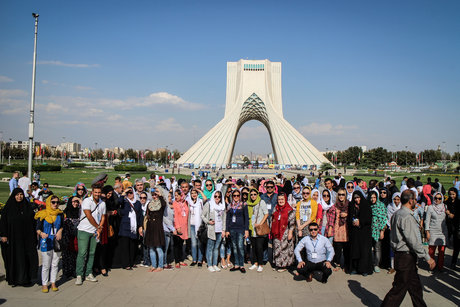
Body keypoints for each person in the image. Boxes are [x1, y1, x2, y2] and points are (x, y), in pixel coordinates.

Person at [381, 190, 436, 307]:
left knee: (415, 288)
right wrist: (428, 258)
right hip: (405, 257)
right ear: (411, 200)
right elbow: (414, 241)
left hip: (404, 257)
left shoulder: (397, 214)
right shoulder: (406, 216)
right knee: (398, 290)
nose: (416, 201)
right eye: (415, 199)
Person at [0, 188, 38, 286]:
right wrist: (3, 235)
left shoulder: (27, 207)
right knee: (14, 258)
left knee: (26, 258)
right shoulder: (8, 209)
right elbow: (3, 222)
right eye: (17, 195)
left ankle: (25, 279)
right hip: (13, 239)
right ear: (13, 196)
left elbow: (33, 222)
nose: (19, 197)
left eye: (21, 194)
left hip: (27, 238)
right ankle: (15, 279)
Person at [75, 184, 106, 285]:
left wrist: (99, 229)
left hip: (95, 232)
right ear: (92, 192)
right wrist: (98, 227)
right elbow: (88, 216)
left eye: (99, 192)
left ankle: (89, 273)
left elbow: (103, 217)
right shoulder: (87, 201)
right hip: (84, 230)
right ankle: (79, 274)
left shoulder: (102, 204)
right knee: (82, 253)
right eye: (95, 192)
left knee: (92, 253)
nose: (97, 194)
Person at [35, 195, 64, 293]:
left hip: (56, 241)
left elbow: (62, 226)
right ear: (48, 202)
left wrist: (60, 231)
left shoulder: (60, 214)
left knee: (55, 263)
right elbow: (37, 228)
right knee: (46, 264)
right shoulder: (42, 214)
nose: (55, 204)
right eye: (53, 202)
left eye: (57, 202)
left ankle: (53, 282)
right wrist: (41, 233)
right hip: (46, 242)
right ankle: (44, 283)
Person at [348, 191, 373, 276]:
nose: (357, 200)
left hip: (364, 232)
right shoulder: (352, 206)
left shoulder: (366, 205)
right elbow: (349, 217)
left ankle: (364, 269)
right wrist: (352, 222)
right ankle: (355, 268)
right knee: (355, 251)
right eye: (355, 198)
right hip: (355, 232)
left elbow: (369, 219)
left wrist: (360, 222)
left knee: (364, 251)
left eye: (358, 198)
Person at [118, 187, 143, 271]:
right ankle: (126, 264)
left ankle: (132, 262)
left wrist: (140, 226)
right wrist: (123, 193)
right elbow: (118, 202)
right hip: (125, 227)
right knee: (125, 246)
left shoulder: (138, 203)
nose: (129, 194)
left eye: (131, 192)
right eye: (128, 193)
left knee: (133, 246)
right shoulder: (124, 202)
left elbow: (139, 215)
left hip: (134, 227)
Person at [144, 187, 167, 272]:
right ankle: (153, 265)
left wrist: (160, 195)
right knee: (151, 248)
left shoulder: (161, 203)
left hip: (157, 227)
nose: (154, 196)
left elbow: (164, 204)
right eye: (153, 195)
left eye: (156, 195)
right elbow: (147, 215)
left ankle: (160, 266)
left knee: (158, 247)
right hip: (150, 227)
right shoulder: (149, 204)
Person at [202, 191, 226, 272]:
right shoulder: (209, 204)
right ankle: (209, 264)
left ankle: (215, 264)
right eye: (215, 196)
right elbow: (202, 215)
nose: (217, 198)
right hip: (212, 229)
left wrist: (223, 229)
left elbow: (224, 218)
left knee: (216, 248)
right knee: (210, 248)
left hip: (219, 230)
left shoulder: (222, 206)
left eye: (219, 197)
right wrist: (208, 222)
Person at [225, 189, 249, 273]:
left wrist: (246, 230)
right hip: (232, 228)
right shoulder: (230, 205)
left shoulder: (243, 205)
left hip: (241, 228)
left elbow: (246, 218)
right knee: (234, 247)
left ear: (240, 196)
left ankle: (241, 265)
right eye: (234, 195)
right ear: (232, 196)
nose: (236, 197)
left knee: (240, 246)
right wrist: (227, 230)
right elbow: (228, 218)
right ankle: (236, 264)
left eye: (237, 195)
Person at [326, 187, 349, 272]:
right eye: (339, 194)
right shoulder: (335, 206)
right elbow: (330, 216)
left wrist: (347, 214)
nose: (341, 196)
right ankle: (338, 263)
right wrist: (330, 228)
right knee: (338, 248)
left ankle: (346, 264)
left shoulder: (349, 205)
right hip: (338, 228)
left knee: (346, 248)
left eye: (343, 194)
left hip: (346, 229)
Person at [271, 192, 295, 272]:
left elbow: (292, 223)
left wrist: (290, 232)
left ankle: (284, 266)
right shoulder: (276, 208)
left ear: (285, 199)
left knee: (284, 249)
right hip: (276, 231)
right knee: (277, 248)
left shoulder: (289, 209)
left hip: (285, 232)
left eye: (282, 199)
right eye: (279, 199)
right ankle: (278, 264)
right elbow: (273, 218)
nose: (280, 201)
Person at [425, 192, 448, 272]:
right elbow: (427, 221)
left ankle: (440, 267)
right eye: (436, 198)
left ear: (442, 199)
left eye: (439, 198)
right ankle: (432, 266)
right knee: (431, 251)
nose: (437, 200)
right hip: (433, 231)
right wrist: (427, 232)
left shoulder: (445, 207)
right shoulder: (431, 207)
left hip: (442, 232)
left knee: (441, 252)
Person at [247, 188, 269, 272]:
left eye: (254, 194)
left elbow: (266, 214)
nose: (253, 196)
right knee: (254, 247)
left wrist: (260, 224)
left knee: (259, 247)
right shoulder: (249, 204)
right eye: (251, 194)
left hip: (259, 228)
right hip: (252, 228)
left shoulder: (261, 202)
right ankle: (255, 263)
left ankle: (260, 264)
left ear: (257, 195)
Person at [62, 196, 81, 279]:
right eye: (73, 202)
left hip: (76, 237)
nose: (75, 203)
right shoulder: (66, 212)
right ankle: (67, 272)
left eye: (77, 202)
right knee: (67, 255)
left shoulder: (79, 211)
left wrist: (80, 200)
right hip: (67, 237)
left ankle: (75, 271)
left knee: (75, 255)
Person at [369, 190, 387, 273]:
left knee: (377, 248)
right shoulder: (368, 206)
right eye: (371, 197)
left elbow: (384, 218)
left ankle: (376, 264)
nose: (372, 199)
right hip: (369, 229)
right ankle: (369, 263)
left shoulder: (381, 206)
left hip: (378, 229)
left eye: (374, 197)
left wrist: (382, 231)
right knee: (369, 247)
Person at [188, 188, 207, 266]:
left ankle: (199, 260)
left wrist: (199, 191)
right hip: (192, 225)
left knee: (199, 243)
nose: (194, 194)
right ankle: (194, 260)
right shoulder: (189, 202)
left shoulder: (200, 201)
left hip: (199, 225)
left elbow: (205, 198)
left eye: (195, 193)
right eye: (192, 193)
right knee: (193, 244)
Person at [172, 189, 189, 268]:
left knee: (181, 244)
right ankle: (177, 261)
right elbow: (175, 216)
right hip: (177, 226)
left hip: (184, 226)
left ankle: (181, 259)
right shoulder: (175, 204)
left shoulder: (185, 202)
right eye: (175, 195)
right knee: (177, 244)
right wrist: (177, 227)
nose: (176, 197)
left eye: (177, 195)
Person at [386, 192, 401, 274]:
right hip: (392, 230)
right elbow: (388, 218)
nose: (396, 201)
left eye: (398, 199)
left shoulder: (402, 207)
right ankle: (393, 266)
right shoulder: (389, 206)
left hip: (401, 231)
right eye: (395, 199)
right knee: (392, 248)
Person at [445, 187, 459, 268]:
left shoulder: (458, 203)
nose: (451, 196)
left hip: (456, 226)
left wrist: (451, 215)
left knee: (456, 245)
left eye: (453, 194)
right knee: (446, 242)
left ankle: (453, 262)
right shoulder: (447, 202)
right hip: (448, 225)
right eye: (450, 194)